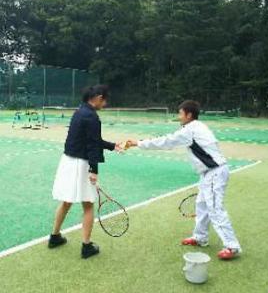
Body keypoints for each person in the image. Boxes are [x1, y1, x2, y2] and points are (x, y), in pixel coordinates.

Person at [126, 100, 241, 260]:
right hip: (209, 173)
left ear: (189, 115)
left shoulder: (190, 130)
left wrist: (138, 143)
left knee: (215, 208)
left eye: (180, 113)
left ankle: (232, 246)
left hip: (215, 172)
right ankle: (200, 237)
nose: (178, 116)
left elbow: (166, 142)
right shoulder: (196, 127)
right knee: (201, 205)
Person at [48, 85, 122, 259]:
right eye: (104, 100)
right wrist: (93, 169)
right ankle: (86, 247)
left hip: (67, 161)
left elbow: (93, 140)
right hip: (81, 164)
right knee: (88, 205)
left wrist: (113, 146)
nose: (105, 104)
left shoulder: (79, 111)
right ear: (98, 97)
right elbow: (92, 146)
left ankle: (55, 237)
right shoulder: (92, 117)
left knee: (66, 201)